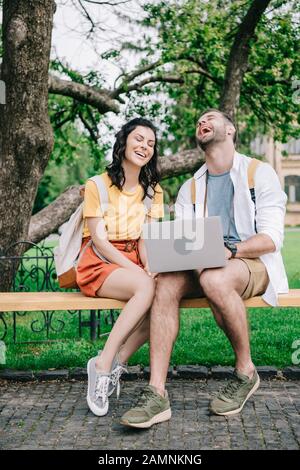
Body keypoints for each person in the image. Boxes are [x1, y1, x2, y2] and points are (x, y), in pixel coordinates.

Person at [120, 108, 288, 428]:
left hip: (250, 262)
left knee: (215, 278)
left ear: (230, 130)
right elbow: (187, 241)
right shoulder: (190, 188)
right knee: (167, 282)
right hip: (206, 266)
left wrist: (230, 250)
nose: (202, 122)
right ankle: (156, 393)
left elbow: (271, 239)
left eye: (210, 118)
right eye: (199, 121)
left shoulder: (258, 172)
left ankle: (245, 372)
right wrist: (167, 260)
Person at [76, 117, 164, 417]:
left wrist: (149, 266)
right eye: (139, 139)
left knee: (164, 299)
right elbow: (99, 241)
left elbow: (145, 239)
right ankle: (102, 364)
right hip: (100, 261)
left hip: (135, 261)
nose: (145, 147)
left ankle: (115, 362)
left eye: (151, 143)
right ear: (124, 141)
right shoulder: (97, 185)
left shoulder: (153, 190)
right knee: (145, 286)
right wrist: (139, 272)